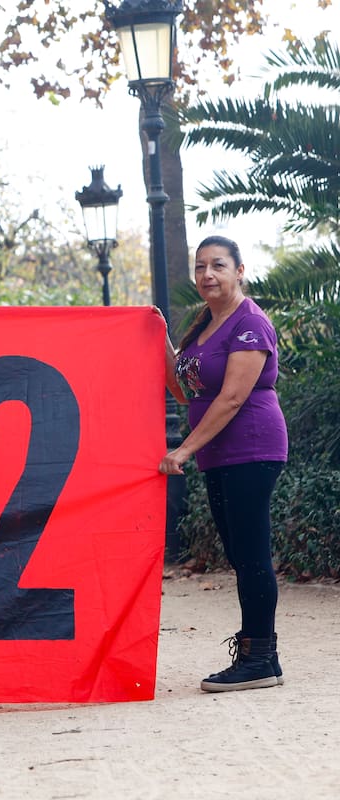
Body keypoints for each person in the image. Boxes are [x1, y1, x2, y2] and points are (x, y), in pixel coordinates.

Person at [159, 235, 288, 693]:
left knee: (250, 555)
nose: (207, 275)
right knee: (240, 554)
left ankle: (260, 657)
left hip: (251, 447)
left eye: (218, 265)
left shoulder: (249, 323)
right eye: (200, 268)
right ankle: (260, 654)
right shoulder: (204, 326)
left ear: (239, 271)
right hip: (219, 453)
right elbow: (189, 391)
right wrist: (161, 346)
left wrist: (184, 449)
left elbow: (232, 397)